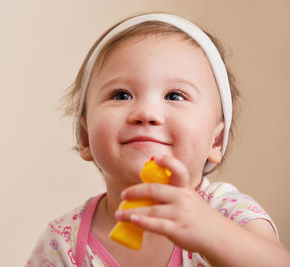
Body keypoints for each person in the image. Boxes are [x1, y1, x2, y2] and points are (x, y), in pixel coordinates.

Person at [27, 13, 290, 266]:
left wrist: (213, 234)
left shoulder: (226, 211)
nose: (146, 113)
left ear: (216, 141)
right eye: (121, 95)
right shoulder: (63, 242)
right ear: (85, 138)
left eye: (175, 96)